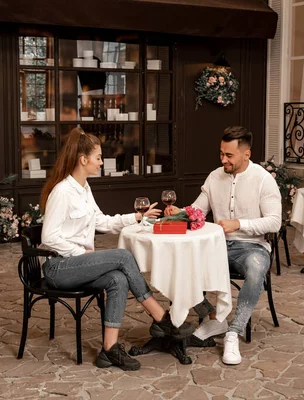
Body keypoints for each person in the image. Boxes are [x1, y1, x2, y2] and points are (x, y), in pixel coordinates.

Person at [40, 127, 194, 371]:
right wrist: (80, 253)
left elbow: (102, 222)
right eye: (98, 157)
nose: (101, 162)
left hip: (76, 265)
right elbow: (48, 236)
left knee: (118, 279)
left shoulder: (84, 189)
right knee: (122, 256)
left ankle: (109, 350)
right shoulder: (62, 191)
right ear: (83, 159)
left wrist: (135, 217)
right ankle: (161, 318)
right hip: (59, 267)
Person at [164, 126, 281, 365]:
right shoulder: (214, 176)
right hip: (215, 245)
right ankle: (213, 317)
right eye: (221, 153)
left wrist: (239, 224)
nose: (223, 160)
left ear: (246, 154)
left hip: (251, 248)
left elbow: (275, 221)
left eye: (229, 155)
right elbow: (198, 210)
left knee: (258, 267)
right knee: (179, 264)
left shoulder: (263, 180)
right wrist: (180, 213)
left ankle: (233, 332)